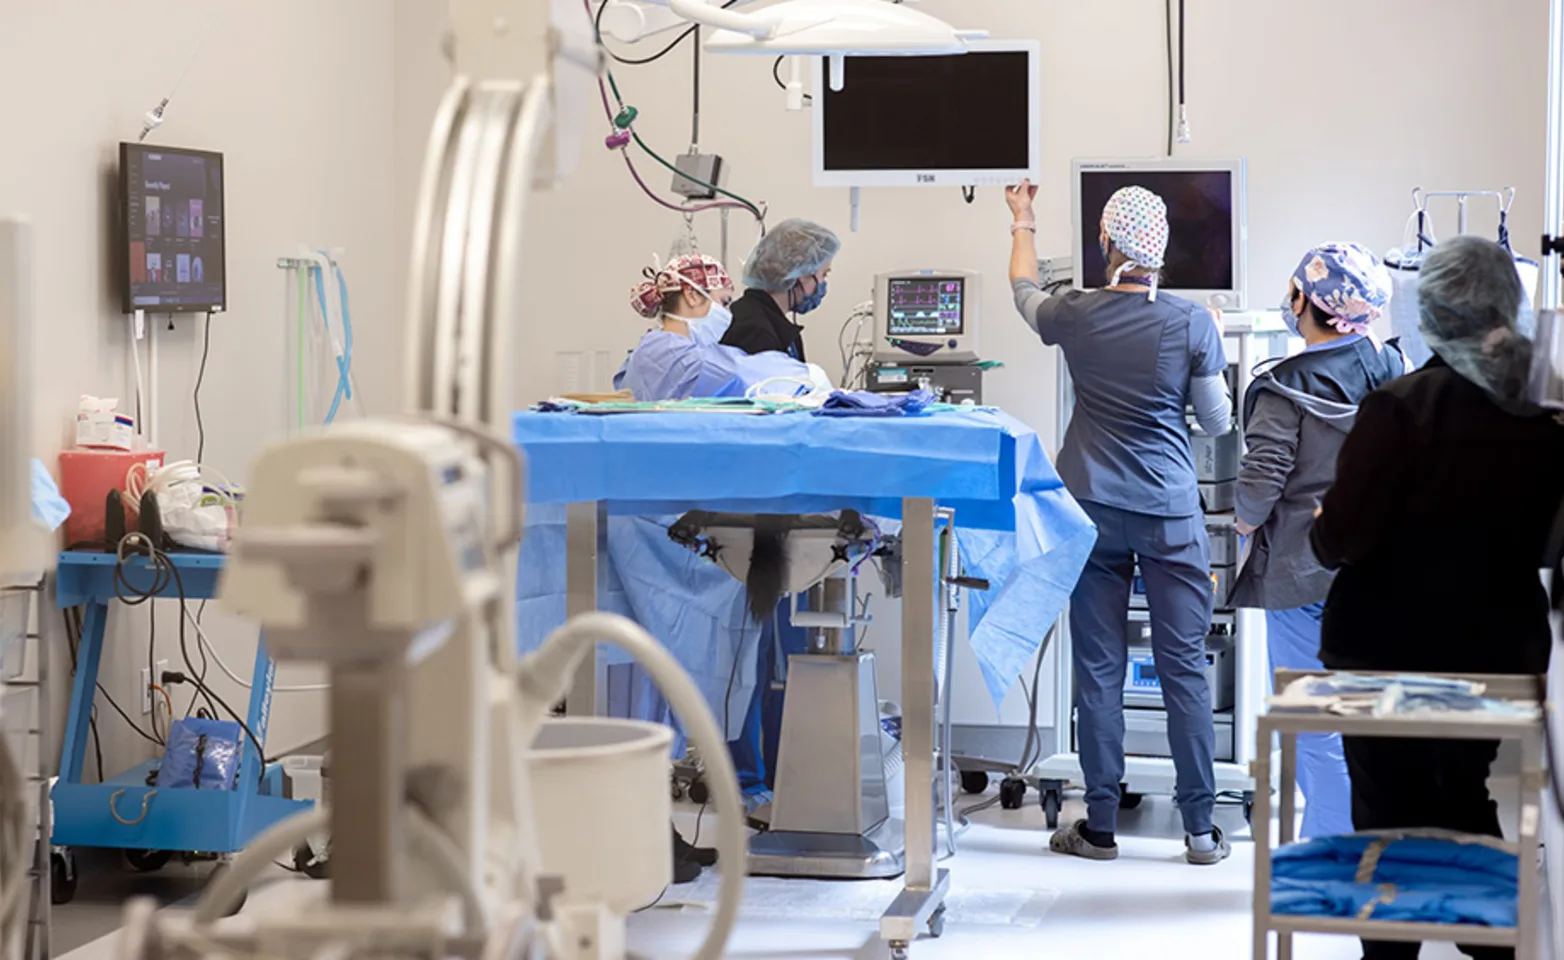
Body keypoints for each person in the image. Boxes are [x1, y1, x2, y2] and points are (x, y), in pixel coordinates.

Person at [1311, 235, 1564, 960]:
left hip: (1384, 653)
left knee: (1387, 816)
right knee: (1462, 797)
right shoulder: (1544, 415)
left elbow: (1344, 539)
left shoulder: (1400, 408)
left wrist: (1326, 524)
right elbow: (1549, 545)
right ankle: (1490, 943)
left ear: (1433, 310)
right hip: (1498, 653)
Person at [1006, 179, 1234, 865]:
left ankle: (1100, 826)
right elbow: (1219, 423)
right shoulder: (1192, 323)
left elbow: (1022, 292)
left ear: (1107, 243)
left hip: (1092, 510)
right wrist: (1213, 351)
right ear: (1162, 250)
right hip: (1168, 511)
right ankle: (1199, 831)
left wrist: (1024, 221)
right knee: (1184, 669)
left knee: (1100, 667)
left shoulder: (1075, 312)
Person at [1230, 243, 1405, 841]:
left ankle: (1333, 844)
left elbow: (1262, 477)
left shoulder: (1283, 388)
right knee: (1363, 712)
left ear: (1306, 301)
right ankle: (1367, 833)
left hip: (1306, 568)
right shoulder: (1389, 369)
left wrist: (1242, 524)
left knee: (1312, 717)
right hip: (1377, 570)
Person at [721, 218, 839, 360]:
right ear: (802, 273)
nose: (823, 284)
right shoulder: (755, 332)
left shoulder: (771, 323)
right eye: (824, 274)